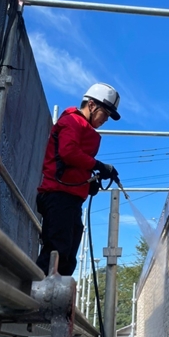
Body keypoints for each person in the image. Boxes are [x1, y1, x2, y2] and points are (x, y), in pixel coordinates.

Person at [36, 83, 120, 276]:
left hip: (69, 199)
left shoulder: (80, 126)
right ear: (91, 105)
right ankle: (38, 292)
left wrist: (87, 183)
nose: (106, 119)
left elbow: (72, 163)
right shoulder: (73, 121)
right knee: (56, 252)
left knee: (66, 256)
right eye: (105, 113)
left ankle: (55, 292)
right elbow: (68, 152)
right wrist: (98, 165)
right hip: (58, 196)